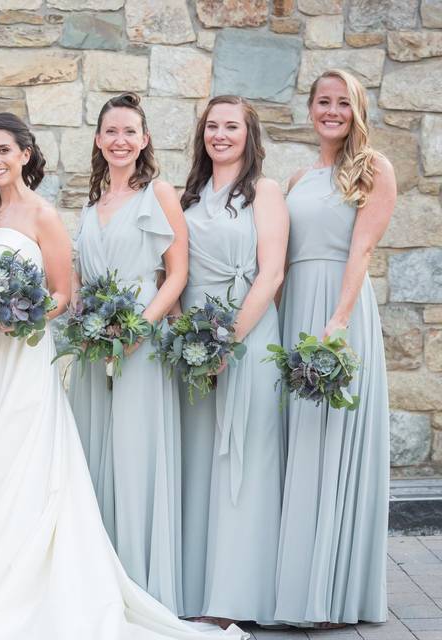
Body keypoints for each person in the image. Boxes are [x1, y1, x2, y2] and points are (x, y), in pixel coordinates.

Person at [0, 112, 243, 640]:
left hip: (22, 358)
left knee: (18, 461)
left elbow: (62, 294)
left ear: (26, 154)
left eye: (4, 150)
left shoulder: (44, 214)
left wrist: (12, 318)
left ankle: (18, 584)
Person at [274, 69, 396, 627]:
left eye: (341, 103)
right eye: (322, 101)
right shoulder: (298, 177)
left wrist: (339, 321)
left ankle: (328, 592)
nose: (330, 111)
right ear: (311, 108)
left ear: (357, 110)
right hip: (293, 308)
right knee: (296, 440)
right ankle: (293, 584)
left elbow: (362, 250)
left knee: (330, 439)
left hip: (336, 312)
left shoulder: (373, 169)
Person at [67, 93, 188, 613]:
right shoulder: (90, 207)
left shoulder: (158, 193)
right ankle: (99, 579)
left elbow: (177, 273)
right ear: (98, 140)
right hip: (96, 343)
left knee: (136, 453)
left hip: (142, 336)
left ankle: (142, 584)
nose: (120, 141)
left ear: (144, 140)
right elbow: (76, 278)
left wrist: (139, 327)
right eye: (110, 132)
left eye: (130, 132)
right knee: (95, 451)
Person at [178, 95, 287, 627]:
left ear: (250, 135)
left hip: (247, 332)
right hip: (196, 340)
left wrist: (230, 343)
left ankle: (240, 595)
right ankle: (199, 589)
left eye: (231, 126)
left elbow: (271, 274)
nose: (220, 134)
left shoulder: (263, 191)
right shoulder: (190, 195)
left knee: (247, 458)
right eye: (212, 126)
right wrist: (190, 337)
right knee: (202, 457)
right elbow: (171, 271)